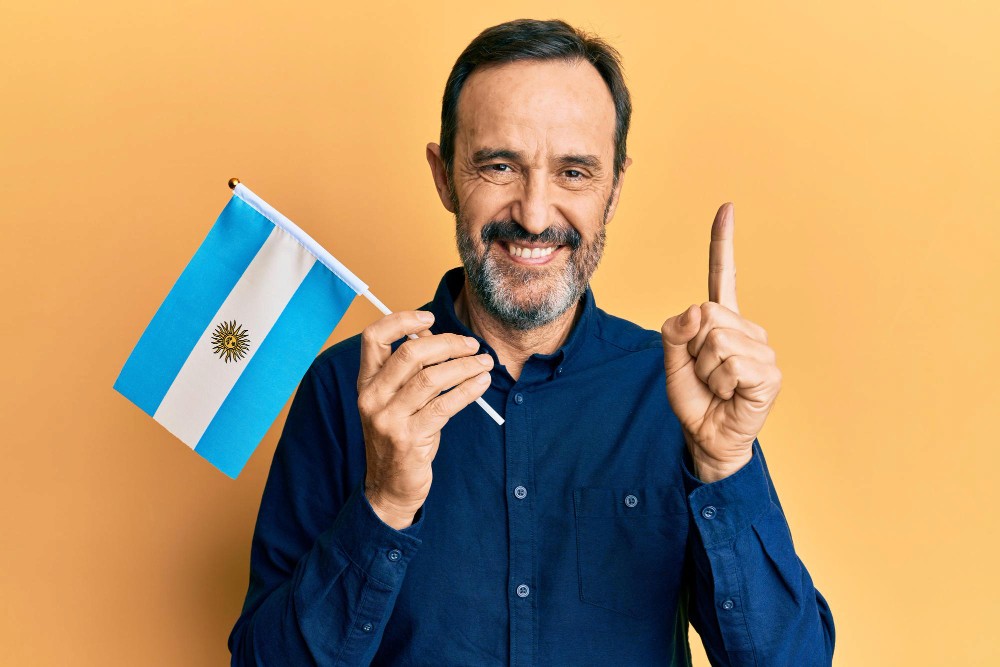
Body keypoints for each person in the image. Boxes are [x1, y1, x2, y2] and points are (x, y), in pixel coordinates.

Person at [229, 18, 835, 666]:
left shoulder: (678, 394)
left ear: (615, 188)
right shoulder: (348, 389)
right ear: (443, 175)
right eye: (498, 165)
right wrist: (385, 501)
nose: (536, 213)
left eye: (574, 171)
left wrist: (725, 463)